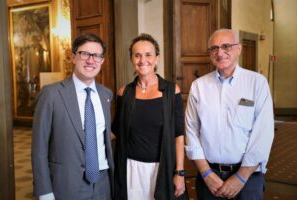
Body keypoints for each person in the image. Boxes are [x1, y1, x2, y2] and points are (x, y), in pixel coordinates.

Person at [185, 29, 274, 200]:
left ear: (238, 49)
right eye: (214, 48)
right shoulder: (199, 87)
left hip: (248, 179)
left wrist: (241, 176)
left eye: (226, 46)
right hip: (209, 178)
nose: (220, 53)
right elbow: (191, 131)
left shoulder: (257, 83)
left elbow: (263, 134)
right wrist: (206, 173)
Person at [32, 33, 114, 200]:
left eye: (97, 56)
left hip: (103, 184)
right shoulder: (52, 94)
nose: (91, 60)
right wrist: (44, 191)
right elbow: (39, 148)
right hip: (66, 185)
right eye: (85, 54)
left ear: (102, 61)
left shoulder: (106, 94)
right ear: (73, 57)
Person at [112, 33, 186, 200]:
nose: (142, 60)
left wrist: (179, 172)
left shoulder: (171, 91)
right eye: (137, 55)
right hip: (130, 170)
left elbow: (178, 135)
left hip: (161, 169)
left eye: (148, 55)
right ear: (131, 59)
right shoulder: (124, 92)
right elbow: (115, 131)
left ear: (157, 58)